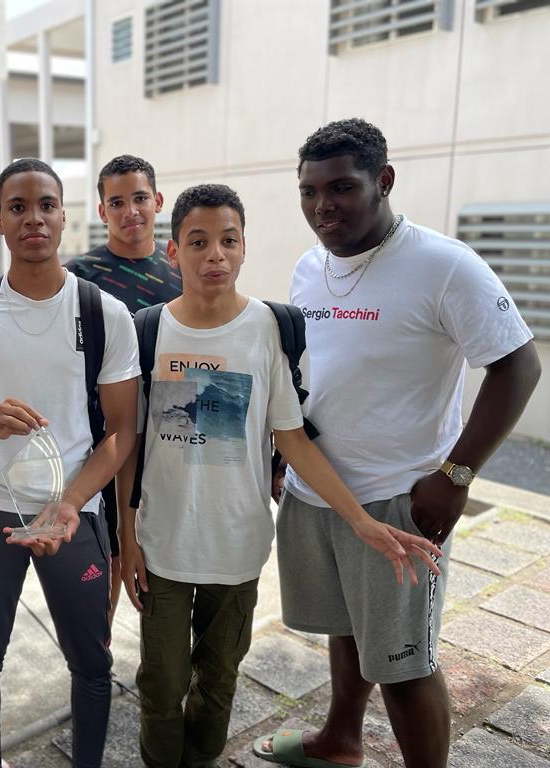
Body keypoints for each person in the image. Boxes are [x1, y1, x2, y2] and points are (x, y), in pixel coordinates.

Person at [116, 183, 443, 768]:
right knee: (160, 682)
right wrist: (126, 537)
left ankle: (203, 757)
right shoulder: (148, 330)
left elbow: (292, 439)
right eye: (198, 242)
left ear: (244, 247)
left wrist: (361, 520)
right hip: (163, 543)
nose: (215, 254)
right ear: (174, 252)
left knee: (219, 677)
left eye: (229, 240)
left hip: (238, 546)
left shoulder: (269, 327)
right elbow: (129, 444)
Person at [254, 118, 541, 768]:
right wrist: (282, 458)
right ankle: (341, 740)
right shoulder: (309, 267)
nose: (322, 206)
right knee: (345, 626)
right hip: (319, 493)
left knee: (406, 664)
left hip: (399, 501)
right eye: (309, 191)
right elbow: (316, 376)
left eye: (341, 187)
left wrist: (456, 475)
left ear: (383, 181)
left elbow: (519, 365)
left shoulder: (444, 265)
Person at [0, 157, 140, 768]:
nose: (33, 219)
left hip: (73, 515)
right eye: (18, 208)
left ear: (64, 216)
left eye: (46, 205)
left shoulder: (104, 314)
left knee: (91, 662)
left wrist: (70, 503)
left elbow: (122, 431)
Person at [65, 154, 183, 629]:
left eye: (139, 198)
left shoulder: (182, 269)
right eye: (117, 202)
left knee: (164, 546)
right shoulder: (80, 275)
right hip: (102, 436)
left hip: (169, 431)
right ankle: (100, 648)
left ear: (157, 201)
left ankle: (162, 650)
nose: (130, 211)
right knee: (107, 552)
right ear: (102, 211)